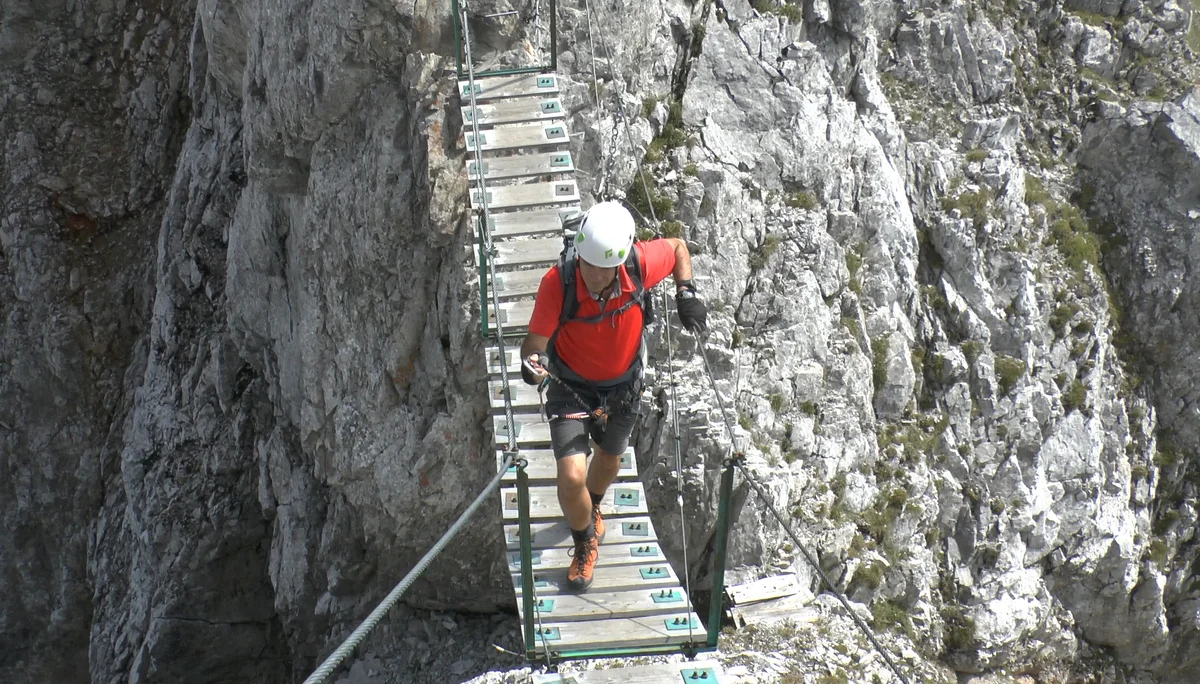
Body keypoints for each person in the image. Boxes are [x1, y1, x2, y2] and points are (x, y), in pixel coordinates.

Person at [518, 201, 708, 590]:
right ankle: (584, 542)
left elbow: (677, 248)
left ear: (619, 263)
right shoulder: (559, 283)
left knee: (608, 460)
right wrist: (533, 364)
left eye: (603, 269)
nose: (593, 275)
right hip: (570, 389)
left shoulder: (638, 264)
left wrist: (686, 292)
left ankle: (592, 506)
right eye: (588, 265)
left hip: (624, 388)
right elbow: (534, 345)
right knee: (571, 475)